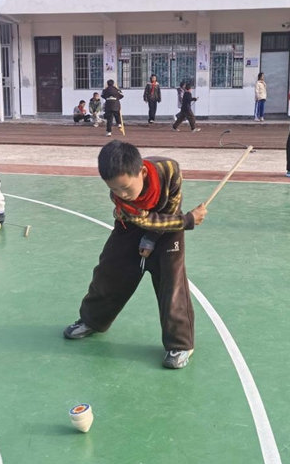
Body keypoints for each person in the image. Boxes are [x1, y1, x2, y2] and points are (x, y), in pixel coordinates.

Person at [63, 140, 207, 369]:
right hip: (132, 226)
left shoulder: (170, 170)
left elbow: (171, 208)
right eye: (114, 189)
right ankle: (93, 320)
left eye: (126, 188)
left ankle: (180, 345)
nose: (122, 194)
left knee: (172, 284)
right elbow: (144, 220)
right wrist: (189, 220)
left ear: (142, 172)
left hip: (170, 226)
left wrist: (153, 238)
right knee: (109, 272)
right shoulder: (120, 199)